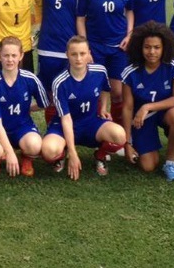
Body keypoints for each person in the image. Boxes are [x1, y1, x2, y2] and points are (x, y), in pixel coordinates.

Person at [41, 36, 126, 180]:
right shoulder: (60, 82)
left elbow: (106, 89)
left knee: (120, 135)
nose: (78, 58)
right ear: (67, 55)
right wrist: (73, 154)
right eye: (74, 54)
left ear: (89, 53)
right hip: (63, 126)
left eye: (82, 53)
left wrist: (104, 108)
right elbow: (66, 119)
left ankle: (100, 156)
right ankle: (62, 153)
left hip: (91, 123)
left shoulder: (99, 71)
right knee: (48, 151)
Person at [121, 22, 174, 181]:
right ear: (139, 47)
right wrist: (127, 143)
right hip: (141, 119)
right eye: (147, 47)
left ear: (164, 47)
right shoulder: (130, 71)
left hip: (166, 112)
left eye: (157, 47)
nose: (152, 52)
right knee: (148, 166)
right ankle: (147, 144)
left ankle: (171, 162)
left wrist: (148, 106)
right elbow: (127, 108)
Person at [77, 0, 135, 126]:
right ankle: (98, 131)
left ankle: (116, 133)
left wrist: (130, 34)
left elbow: (130, 11)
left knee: (117, 91)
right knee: (96, 89)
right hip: (95, 45)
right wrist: (85, 48)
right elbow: (80, 18)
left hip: (119, 46)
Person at [0, 36, 48, 177]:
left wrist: (29, 109)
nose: (10, 59)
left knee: (35, 145)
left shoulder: (30, 79)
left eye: (14, 55)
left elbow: (44, 104)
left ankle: (26, 158)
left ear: (21, 56)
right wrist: (9, 152)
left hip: (22, 127)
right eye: (6, 55)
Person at [35, 0, 84, 124]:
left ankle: (76, 130)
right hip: (47, 48)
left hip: (71, 50)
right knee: (49, 93)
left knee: (72, 91)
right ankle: (52, 131)